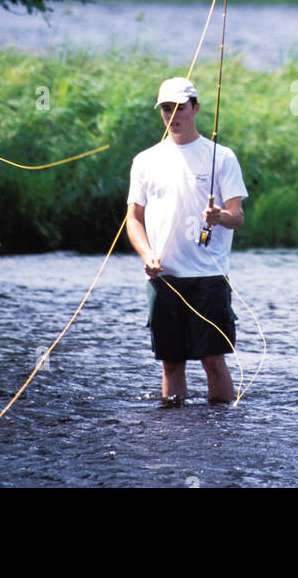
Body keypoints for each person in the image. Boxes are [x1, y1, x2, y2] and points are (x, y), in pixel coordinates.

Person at [127, 77, 248, 404]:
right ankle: (172, 434)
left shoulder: (222, 157)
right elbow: (133, 219)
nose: (173, 115)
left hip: (209, 276)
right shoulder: (145, 160)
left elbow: (237, 216)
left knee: (213, 360)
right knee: (171, 364)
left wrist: (220, 216)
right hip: (163, 276)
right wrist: (147, 254)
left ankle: (222, 429)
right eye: (166, 108)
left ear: (195, 107)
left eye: (180, 107)